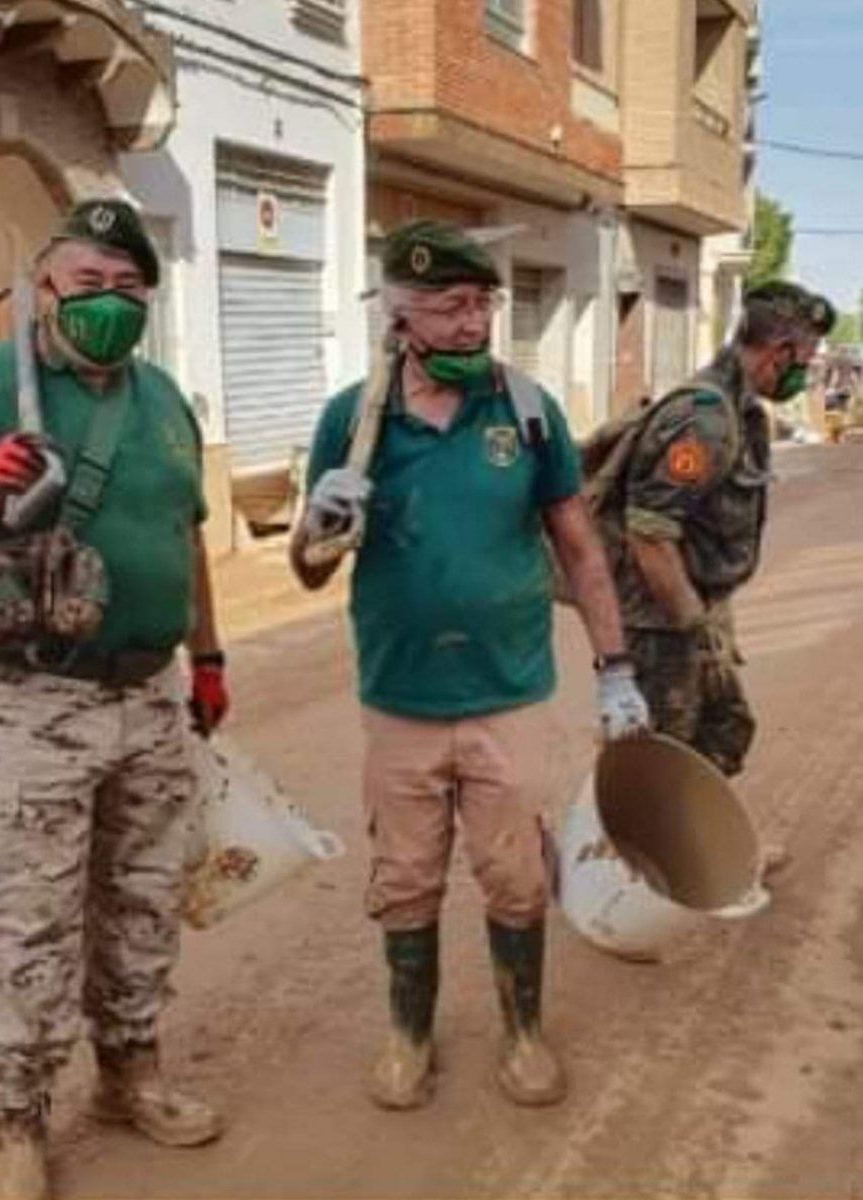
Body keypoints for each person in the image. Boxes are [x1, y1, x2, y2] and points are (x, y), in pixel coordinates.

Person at [290, 219, 649, 1112]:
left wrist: (615, 669)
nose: (473, 323)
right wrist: (317, 526)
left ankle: (523, 1033)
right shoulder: (352, 419)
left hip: (507, 694)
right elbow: (311, 569)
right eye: (450, 306)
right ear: (400, 317)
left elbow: (579, 547)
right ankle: (409, 1036)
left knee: (516, 876)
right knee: (406, 878)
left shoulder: (526, 410)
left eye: (482, 303)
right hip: (400, 699)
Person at [0, 199, 230, 1199]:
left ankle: (129, 1075)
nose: (109, 301)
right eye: (88, 281)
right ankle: (18, 1118)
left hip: (150, 694)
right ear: (45, 285)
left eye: (128, 285)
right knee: (36, 921)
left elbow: (187, 535)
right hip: (35, 702)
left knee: (143, 902)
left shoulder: (165, 398)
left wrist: (210, 655)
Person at [605, 281, 834, 782]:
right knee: (658, 756)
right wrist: (694, 628)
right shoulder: (703, 420)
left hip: (693, 607)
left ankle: (684, 833)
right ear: (781, 351)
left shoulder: (738, 408)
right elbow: (649, 533)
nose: (806, 369)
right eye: (808, 357)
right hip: (662, 623)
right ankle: (619, 834)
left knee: (719, 734)